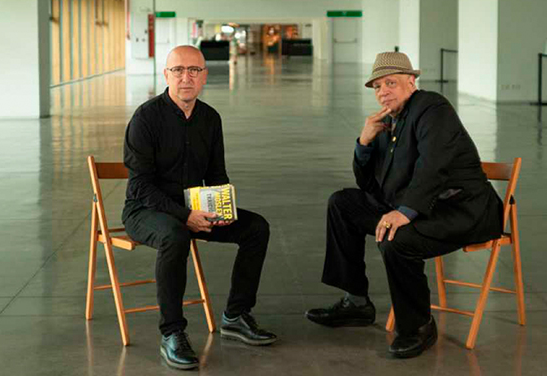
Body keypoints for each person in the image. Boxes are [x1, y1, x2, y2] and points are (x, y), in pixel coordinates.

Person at [305, 52, 504, 359]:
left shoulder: (432, 107)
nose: (383, 91)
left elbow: (433, 165)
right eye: (377, 87)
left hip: (463, 210)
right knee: (343, 204)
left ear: (411, 82)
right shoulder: (389, 121)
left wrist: (404, 212)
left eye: (391, 83)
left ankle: (418, 326)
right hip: (424, 206)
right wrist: (364, 143)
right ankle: (356, 302)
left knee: (397, 239)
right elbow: (369, 185)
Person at [123, 45, 276, 370]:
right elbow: (140, 186)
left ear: (204, 76)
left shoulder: (210, 118)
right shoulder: (146, 118)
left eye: (194, 70)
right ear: (166, 75)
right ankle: (172, 333)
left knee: (256, 228)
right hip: (144, 211)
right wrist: (185, 216)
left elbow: (217, 175)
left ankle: (236, 315)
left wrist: (221, 209)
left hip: (193, 209)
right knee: (175, 235)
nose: (186, 77)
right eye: (178, 70)